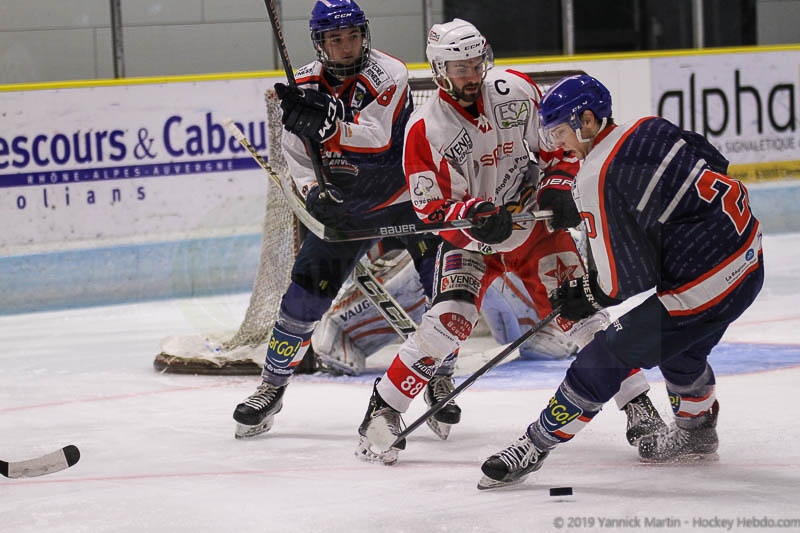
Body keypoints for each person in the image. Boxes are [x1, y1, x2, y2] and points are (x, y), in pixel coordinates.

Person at [355, 19, 663, 465]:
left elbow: (556, 146)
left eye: (477, 63)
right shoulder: (425, 129)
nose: (472, 74)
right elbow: (431, 211)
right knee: (450, 321)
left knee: (583, 315)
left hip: (536, 232)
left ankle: (639, 406)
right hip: (472, 245)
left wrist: (560, 183)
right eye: (460, 67)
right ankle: (382, 411)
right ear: (440, 71)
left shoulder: (516, 90)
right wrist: (473, 217)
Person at [477, 74, 764, 490]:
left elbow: (622, 280)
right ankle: (697, 430)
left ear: (588, 121)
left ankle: (534, 445)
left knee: (603, 356)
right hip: (749, 259)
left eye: (559, 131)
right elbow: (714, 161)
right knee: (680, 351)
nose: (558, 145)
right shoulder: (650, 126)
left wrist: (584, 295)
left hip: (704, 288)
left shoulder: (595, 175)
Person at [231, 0, 446, 439]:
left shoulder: (391, 73)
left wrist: (327, 122)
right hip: (346, 207)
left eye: (353, 37)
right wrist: (314, 192)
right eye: (336, 39)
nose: (347, 47)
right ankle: (271, 388)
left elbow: (378, 136)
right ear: (321, 43)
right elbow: (296, 154)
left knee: (446, 289)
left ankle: (440, 380)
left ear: (365, 35)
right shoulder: (304, 83)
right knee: (303, 297)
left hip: (407, 198)